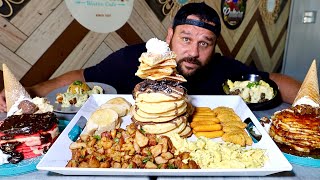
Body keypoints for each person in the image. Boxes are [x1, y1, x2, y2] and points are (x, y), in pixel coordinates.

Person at [0, 2, 301, 112]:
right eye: (186, 39)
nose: (194, 52)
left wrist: (310, 101)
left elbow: (275, 80)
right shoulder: (133, 58)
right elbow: (78, 78)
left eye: (205, 43)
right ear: (169, 36)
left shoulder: (222, 69)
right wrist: (35, 91)